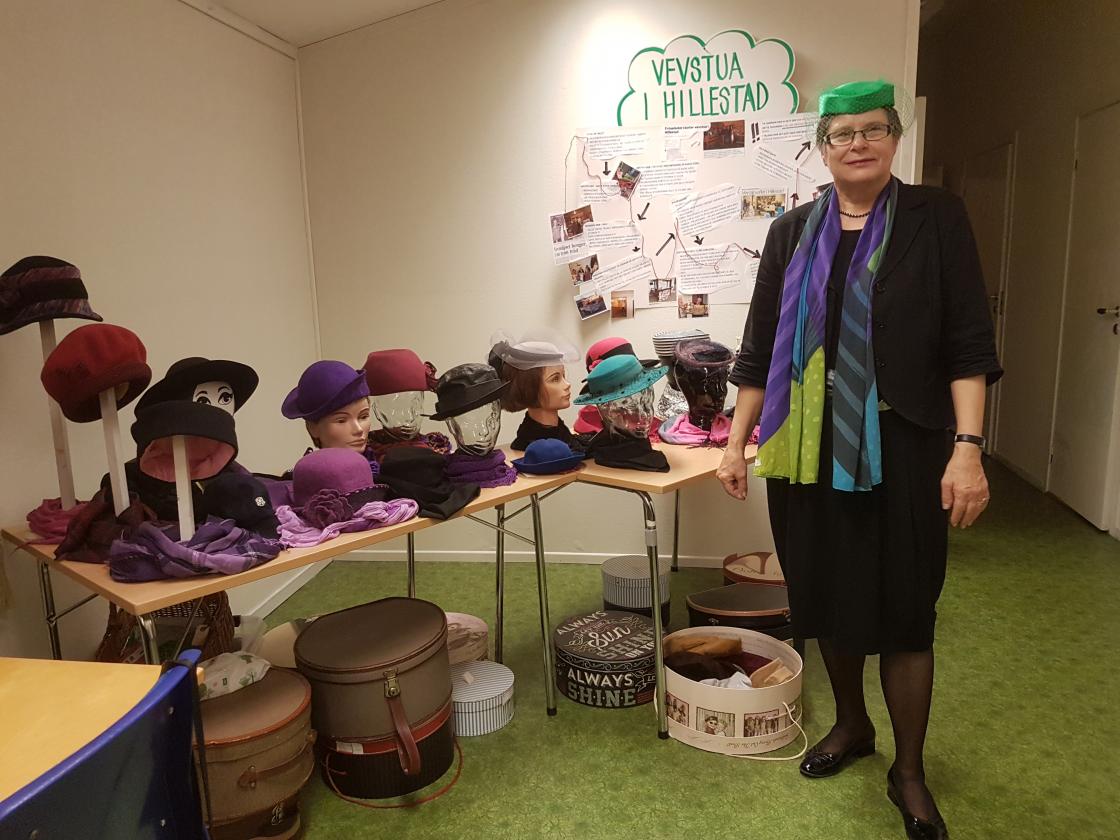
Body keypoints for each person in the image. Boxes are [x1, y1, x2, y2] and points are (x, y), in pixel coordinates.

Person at [716, 80, 1001, 840]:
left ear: (895, 138)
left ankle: (908, 770)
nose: (858, 144)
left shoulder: (936, 217)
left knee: (906, 612)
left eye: (873, 129)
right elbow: (758, 347)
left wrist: (967, 450)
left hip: (905, 445)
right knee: (826, 597)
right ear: (823, 148)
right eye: (842, 134)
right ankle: (851, 725)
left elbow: (968, 343)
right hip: (807, 448)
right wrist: (737, 444)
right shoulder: (791, 232)